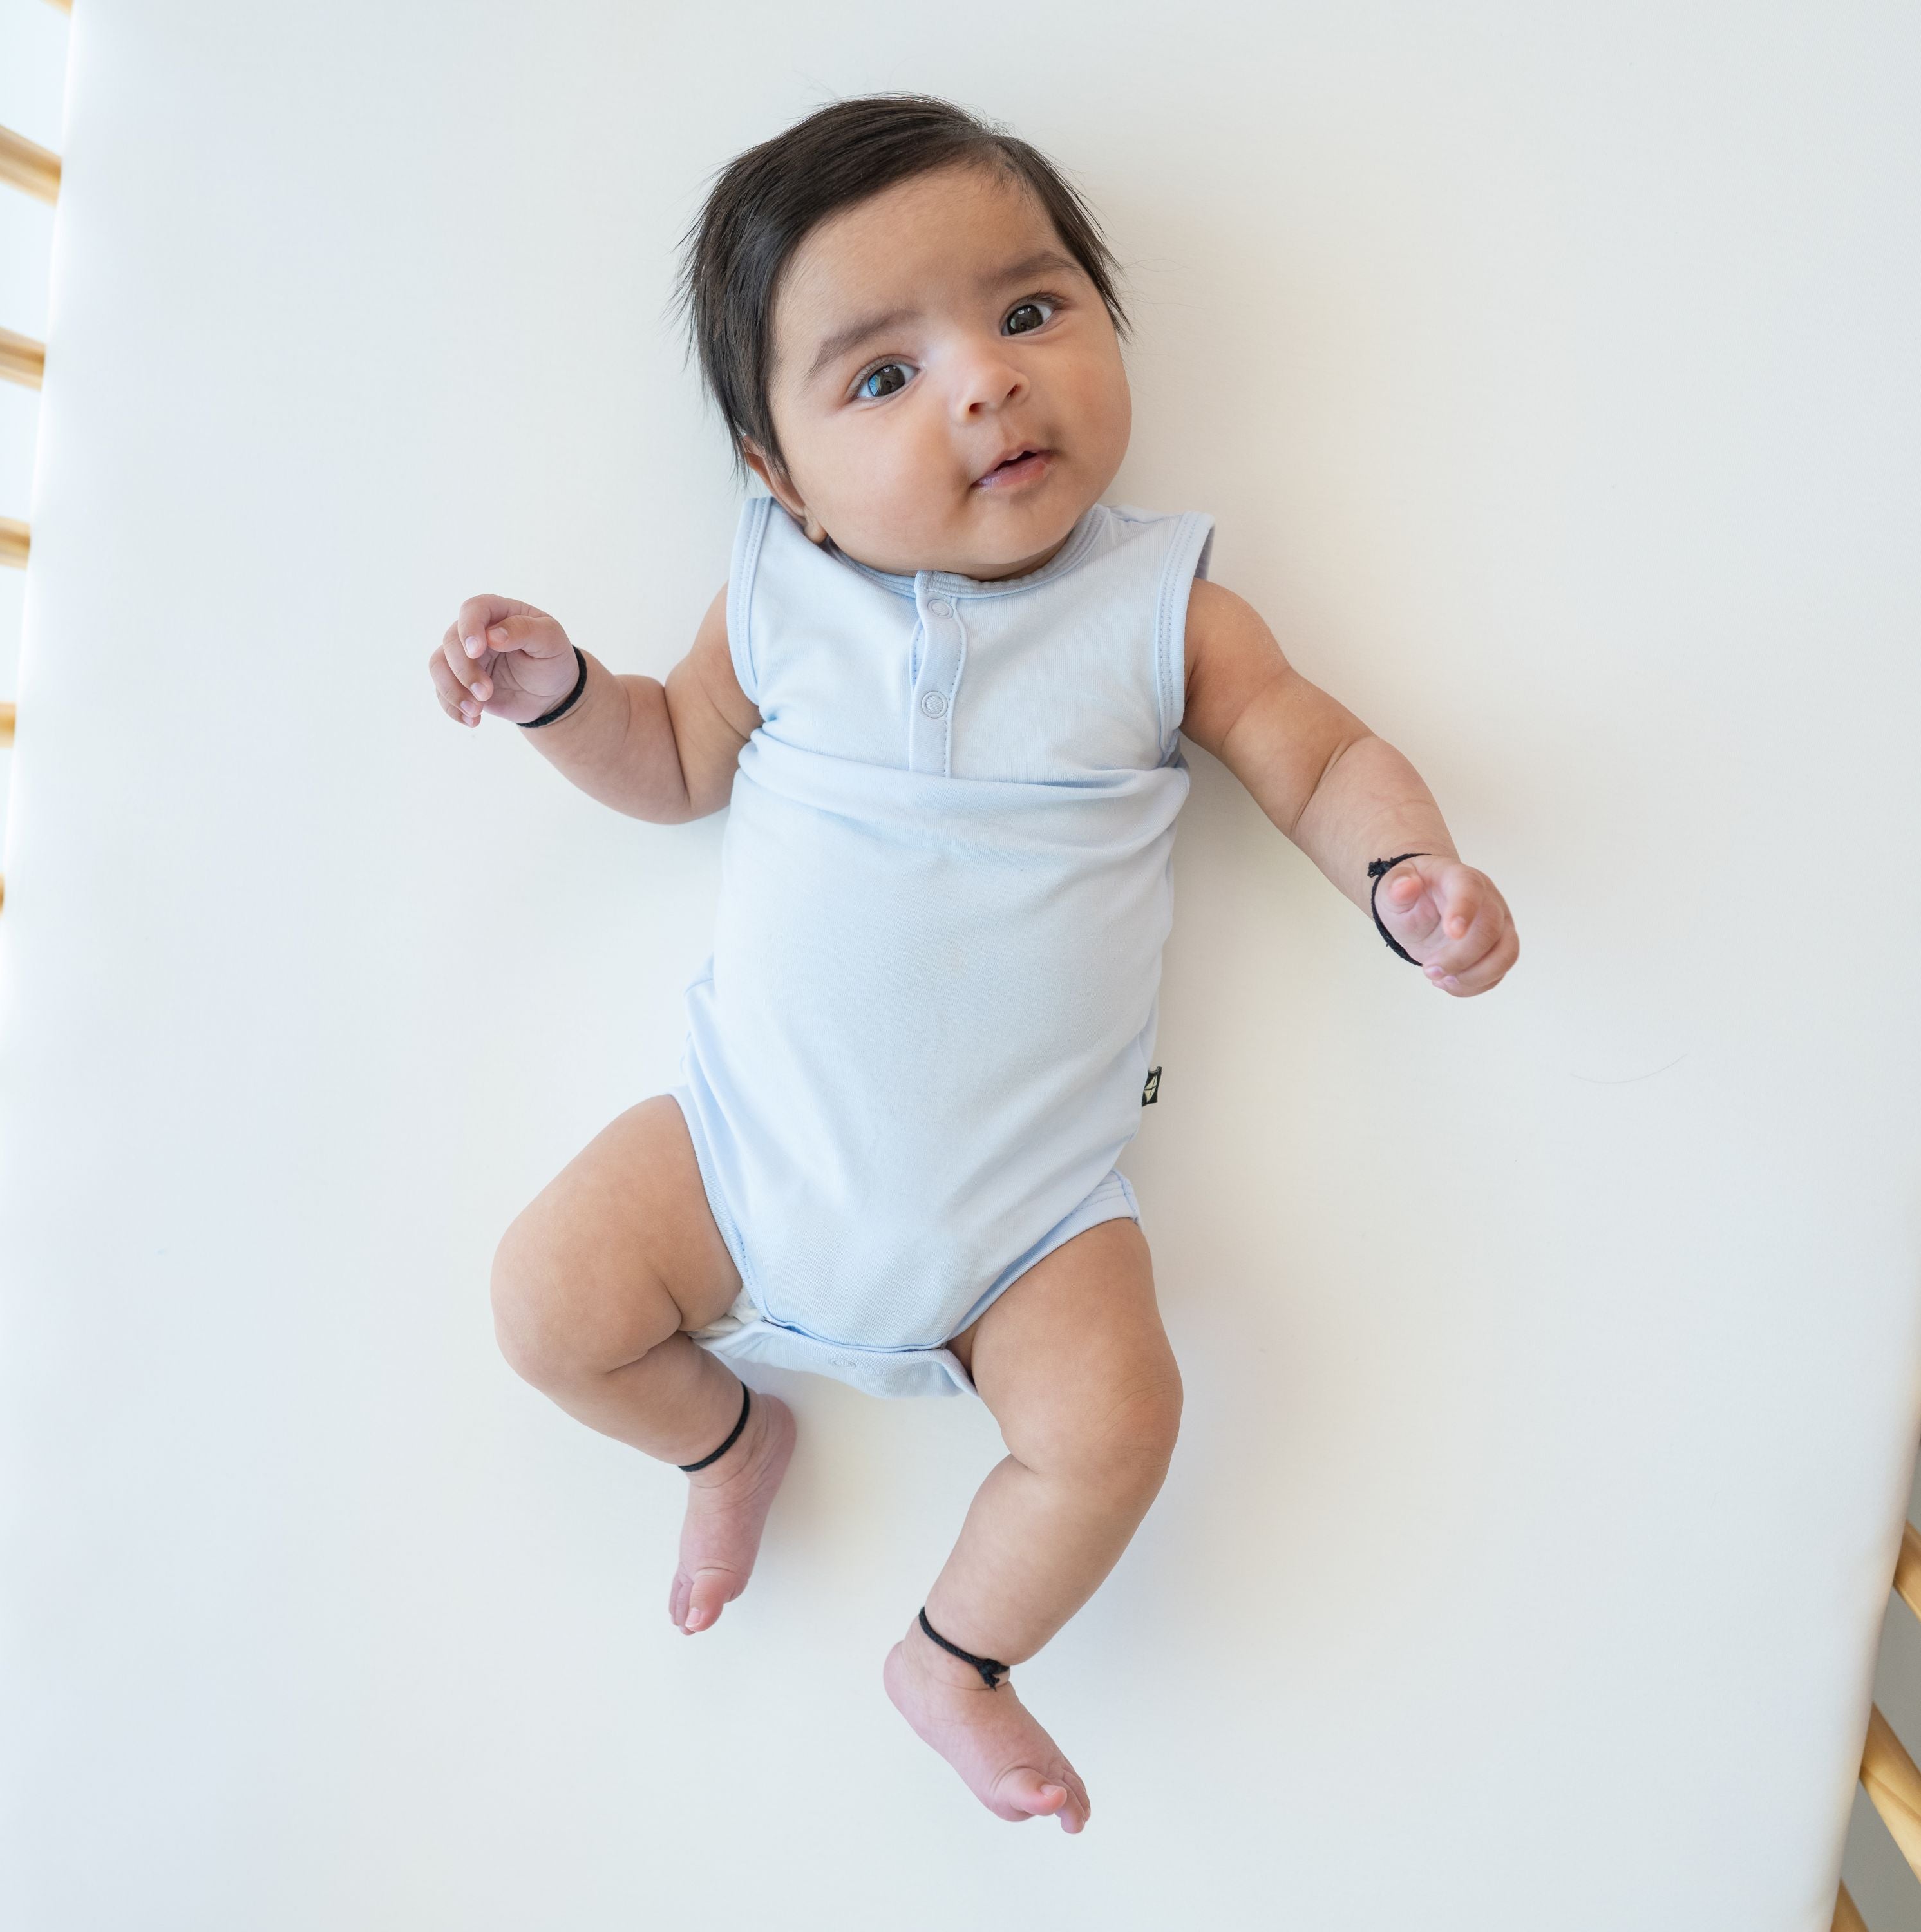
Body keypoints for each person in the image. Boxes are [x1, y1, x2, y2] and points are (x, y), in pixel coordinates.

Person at [426, 93, 1518, 1835]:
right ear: (779, 479)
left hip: (1029, 1221)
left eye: (1029, 312)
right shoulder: (778, 593)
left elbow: (1314, 755)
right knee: (543, 1305)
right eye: (882, 375)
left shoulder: (1166, 609)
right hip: (739, 1154)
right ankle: (721, 1441)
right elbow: (675, 761)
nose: (986, 384)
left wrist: (1411, 873)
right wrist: (565, 696)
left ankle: (958, 1654)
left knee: (1117, 1421)